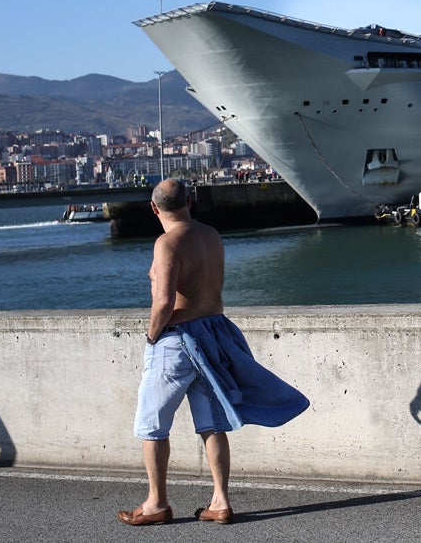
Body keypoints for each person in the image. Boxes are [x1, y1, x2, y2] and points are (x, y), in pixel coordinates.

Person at [119, 179, 309, 527]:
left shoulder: (167, 243)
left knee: (151, 424)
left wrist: (151, 337)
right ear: (190, 202)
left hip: (177, 338)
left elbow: (163, 301)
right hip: (214, 332)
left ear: (154, 208)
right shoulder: (211, 235)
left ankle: (156, 503)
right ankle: (220, 502)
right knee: (212, 424)